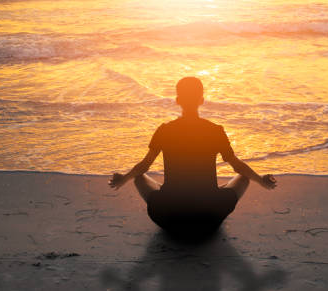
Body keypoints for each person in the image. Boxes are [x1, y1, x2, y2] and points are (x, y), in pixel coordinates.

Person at [109, 76, 277, 234]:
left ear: (178, 100)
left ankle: (171, 194)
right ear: (201, 101)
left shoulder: (165, 130)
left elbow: (144, 166)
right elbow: (237, 165)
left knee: (139, 178)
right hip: (210, 218)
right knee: (243, 177)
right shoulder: (215, 131)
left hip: (168, 217)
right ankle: (212, 194)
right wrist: (261, 180)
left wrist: (123, 179)